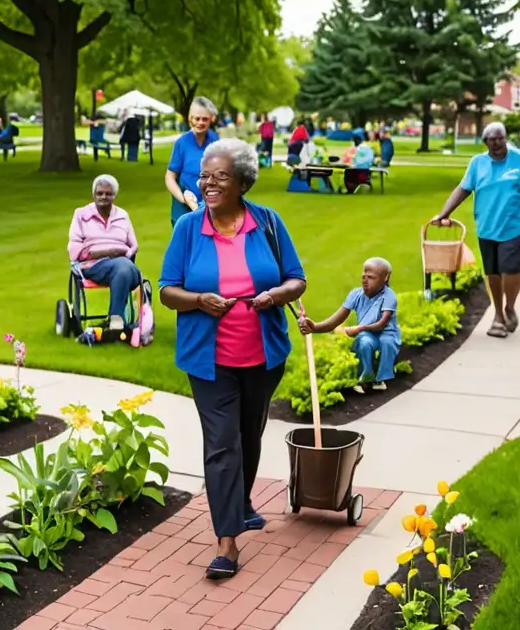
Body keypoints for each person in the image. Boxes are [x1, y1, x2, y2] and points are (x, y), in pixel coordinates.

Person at [159, 138, 306, 580]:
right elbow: (167, 290)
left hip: (263, 356)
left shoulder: (268, 223)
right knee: (222, 444)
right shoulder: (188, 227)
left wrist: (275, 295)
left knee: (249, 433)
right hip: (209, 360)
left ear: (243, 181)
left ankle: (240, 502)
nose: (208, 183)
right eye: (205, 175)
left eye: (219, 176)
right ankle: (227, 541)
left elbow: (296, 279)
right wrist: (199, 300)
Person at [431, 122, 520, 338]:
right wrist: (444, 213)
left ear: (505, 139)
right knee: (493, 273)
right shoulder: (477, 163)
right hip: (486, 226)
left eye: (501, 138)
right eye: (492, 139)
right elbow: (463, 189)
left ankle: (510, 307)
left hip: (513, 225)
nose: (497, 143)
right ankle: (498, 315)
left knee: (510, 268)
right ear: (485, 142)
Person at [299, 258, 401, 394]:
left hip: (387, 333)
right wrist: (315, 327)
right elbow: (335, 320)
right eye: (363, 277)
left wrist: (359, 328)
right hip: (369, 334)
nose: (365, 280)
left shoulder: (389, 296)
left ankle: (381, 377)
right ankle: (366, 378)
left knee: (386, 342)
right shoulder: (356, 294)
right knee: (364, 341)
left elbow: (382, 324)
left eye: (371, 277)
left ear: (385, 278)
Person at [67, 174, 141, 331]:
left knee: (123, 267)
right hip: (93, 266)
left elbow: (133, 245)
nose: (103, 197)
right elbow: (74, 249)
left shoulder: (122, 215)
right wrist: (107, 251)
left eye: (108, 193)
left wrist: (124, 253)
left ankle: (116, 320)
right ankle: (116, 320)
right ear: (93, 194)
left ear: (114, 195)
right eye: (99, 193)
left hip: (122, 264)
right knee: (123, 267)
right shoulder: (81, 215)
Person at [165, 96, 220, 225]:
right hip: (184, 206)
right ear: (190, 118)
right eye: (197, 118)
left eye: (205, 119)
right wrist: (183, 198)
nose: (200, 122)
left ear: (211, 119)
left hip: (209, 205)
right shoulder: (182, 143)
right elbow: (169, 177)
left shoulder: (215, 140)